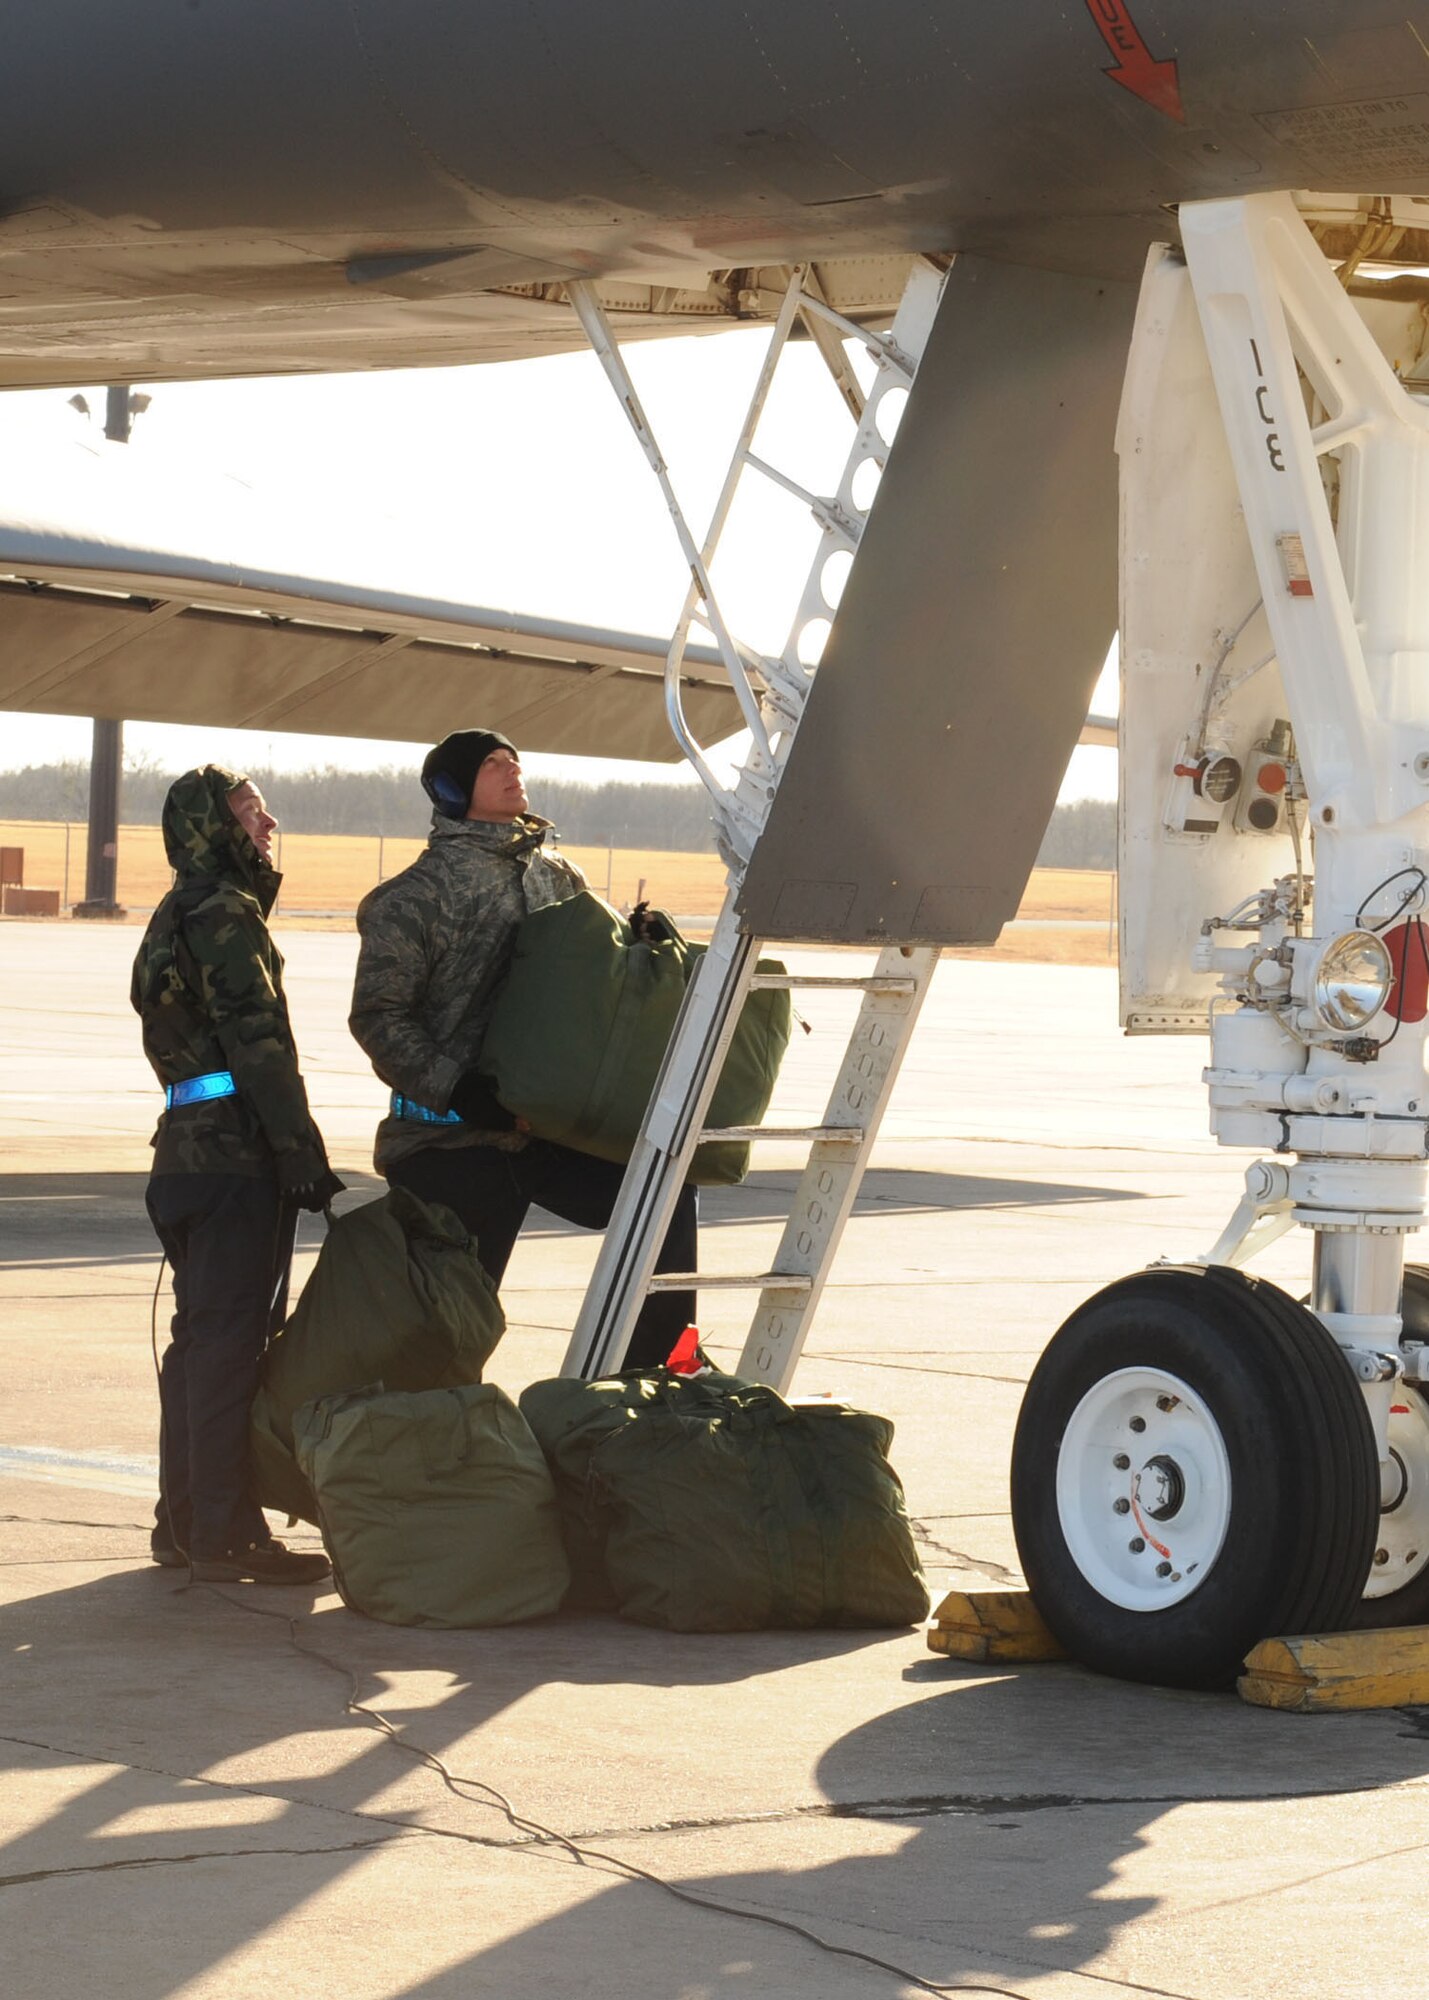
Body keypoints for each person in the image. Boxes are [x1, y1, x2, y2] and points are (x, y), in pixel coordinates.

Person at [349, 727, 698, 1368]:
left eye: (514, 760)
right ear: (452, 789)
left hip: (548, 1131)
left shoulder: (561, 877)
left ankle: (661, 1377)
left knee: (663, 1190)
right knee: (448, 1331)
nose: (512, 770)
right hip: (453, 1142)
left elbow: (599, 979)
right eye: (492, 763)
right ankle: (432, 1439)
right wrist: (459, 1090)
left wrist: (641, 940)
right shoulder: (412, 898)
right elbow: (378, 1018)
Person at [132, 766, 340, 1584]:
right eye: (250, 811)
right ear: (211, 827)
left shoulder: (176, 910)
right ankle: (220, 1533)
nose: (268, 823)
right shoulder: (225, 912)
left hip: (185, 1154)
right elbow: (257, 1040)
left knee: (199, 1348)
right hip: (231, 1159)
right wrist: (298, 1148)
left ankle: (183, 1522)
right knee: (224, 1348)